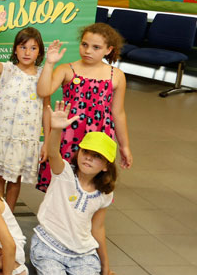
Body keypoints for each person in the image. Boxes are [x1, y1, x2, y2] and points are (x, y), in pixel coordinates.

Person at [31, 102, 116, 275]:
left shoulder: (103, 194)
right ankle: (52, 273)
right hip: (48, 247)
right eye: (86, 152)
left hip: (83, 255)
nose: (89, 158)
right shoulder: (64, 173)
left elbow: (97, 228)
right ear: (79, 154)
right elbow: (53, 152)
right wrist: (56, 128)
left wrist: (104, 262)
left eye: (97, 157)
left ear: (106, 166)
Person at [36, 23, 132, 190]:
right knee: (64, 176)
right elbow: (44, 91)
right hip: (69, 132)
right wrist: (50, 63)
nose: (88, 51)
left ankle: (85, 213)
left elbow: (118, 113)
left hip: (99, 134)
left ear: (108, 50)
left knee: (93, 180)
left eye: (96, 47)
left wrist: (124, 146)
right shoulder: (67, 69)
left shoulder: (116, 75)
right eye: (84, 45)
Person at [0, 11, 49, 211]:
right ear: (15, 50)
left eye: (33, 48)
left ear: (39, 52)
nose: (27, 52)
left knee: (15, 180)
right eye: (23, 47)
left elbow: (46, 108)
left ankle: (8, 216)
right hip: (4, 136)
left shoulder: (43, 75)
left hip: (24, 138)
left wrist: (47, 140)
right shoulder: (8, 70)